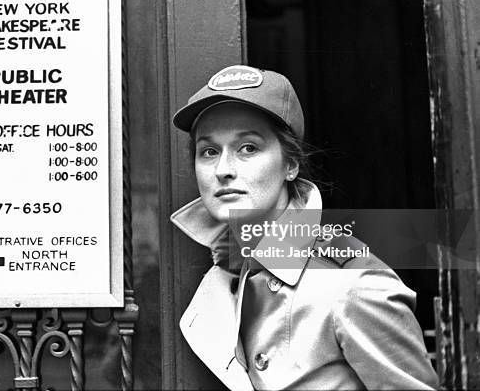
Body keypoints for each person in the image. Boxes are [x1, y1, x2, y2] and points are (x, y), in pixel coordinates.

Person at [170, 65, 438, 390]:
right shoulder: (229, 273)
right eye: (209, 151)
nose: (223, 169)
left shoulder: (351, 281)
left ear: (291, 165)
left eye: (248, 148)